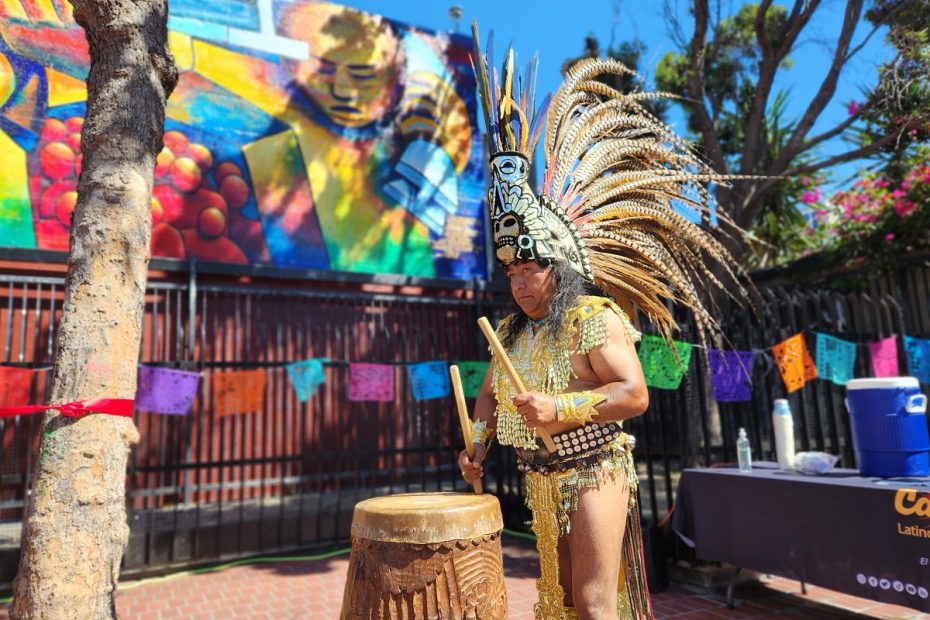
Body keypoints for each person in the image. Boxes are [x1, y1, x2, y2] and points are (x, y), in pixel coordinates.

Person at [458, 26, 748, 620]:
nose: (518, 281)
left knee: (592, 604)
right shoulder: (511, 333)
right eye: (511, 271)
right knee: (557, 602)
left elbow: (635, 394)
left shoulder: (593, 317)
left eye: (530, 268)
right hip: (538, 474)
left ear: (558, 268)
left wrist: (560, 409)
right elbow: (487, 396)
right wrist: (477, 445)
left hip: (594, 468)